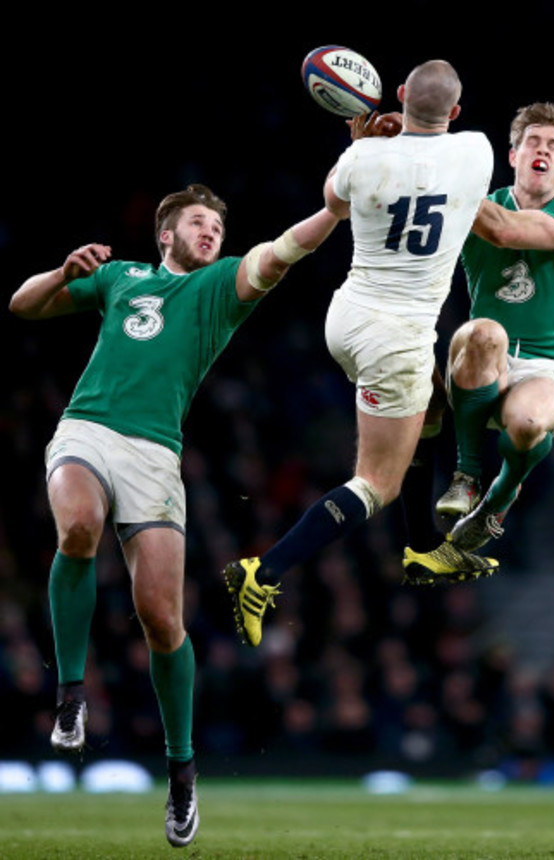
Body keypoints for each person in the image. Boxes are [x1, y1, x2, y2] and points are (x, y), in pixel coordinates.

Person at [8, 184, 340, 847]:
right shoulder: (119, 276)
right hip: (88, 429)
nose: (212, 231)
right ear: (166, 234)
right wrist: (64, 271)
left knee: (163, 620)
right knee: (77, 527)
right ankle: (72, 694)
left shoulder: (219, 287)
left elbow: (279, 254)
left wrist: (334, 208)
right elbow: (22, 305)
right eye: (198, 222)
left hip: (156, 456)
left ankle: (181, 772)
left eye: (218, 224)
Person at [222, 59, 498, 651]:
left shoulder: (359, 160)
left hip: (348, 314)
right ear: (456, 111)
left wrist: (363, 143)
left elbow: (335, 201)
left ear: (397, 94)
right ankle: (262, 572)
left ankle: (424, 548)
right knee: (377, 484)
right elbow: (439, 161)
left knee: (432, 407)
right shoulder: (477, 151)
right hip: (395, 339)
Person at [405, 101, 554, 571]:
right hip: (480, 363)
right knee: (485, 332)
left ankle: (499, 497)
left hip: (549, 368)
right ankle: (467, 474)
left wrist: (444, 177)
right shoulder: (481, 203)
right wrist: (397, 156)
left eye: (553, 146)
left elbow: (505, 231)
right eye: (532, 141)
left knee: (531, 426)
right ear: (512, 155)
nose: (543, 150)